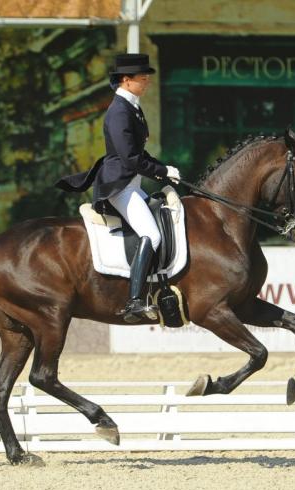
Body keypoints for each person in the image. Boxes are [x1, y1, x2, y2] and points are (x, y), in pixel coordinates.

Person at [56, 53, 181, 323]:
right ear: (126, 80)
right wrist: (161, 172)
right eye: (142, 78)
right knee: (152, 234)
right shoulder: (119, 111)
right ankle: (134, 301)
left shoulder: (132, 107)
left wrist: (164, 168)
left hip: (132, 184)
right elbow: (130, 158)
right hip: (119, 186)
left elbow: (139, 153)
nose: (147, 82)